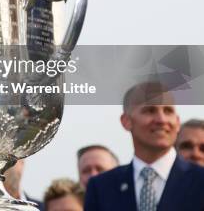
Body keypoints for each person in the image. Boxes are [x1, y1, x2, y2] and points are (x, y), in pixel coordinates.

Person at [84, 82, 204, 211]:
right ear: (126, 121)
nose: (161, 120)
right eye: (150, 110)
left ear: (177, 122)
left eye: (168, 111)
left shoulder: (200, 181)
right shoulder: (101, 187)